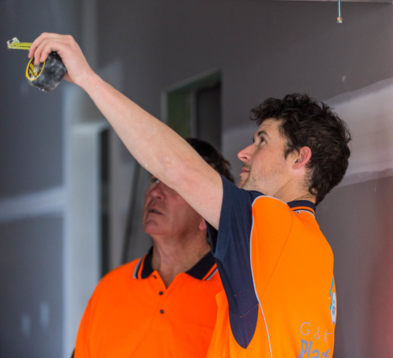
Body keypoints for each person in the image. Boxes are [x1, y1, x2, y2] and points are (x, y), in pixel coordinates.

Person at [29, 33, 351, 357]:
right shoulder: (317, 253)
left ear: (300, 157)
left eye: (262, 141)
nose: (244, 152)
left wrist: (87, 78)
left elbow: (176, 167)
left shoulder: (270, 226)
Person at [73, 138, 235, 358]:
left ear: (207, 214)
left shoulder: (233, 294)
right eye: (155, 179)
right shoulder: (109, 289)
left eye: (175, 184)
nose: (155, 192)